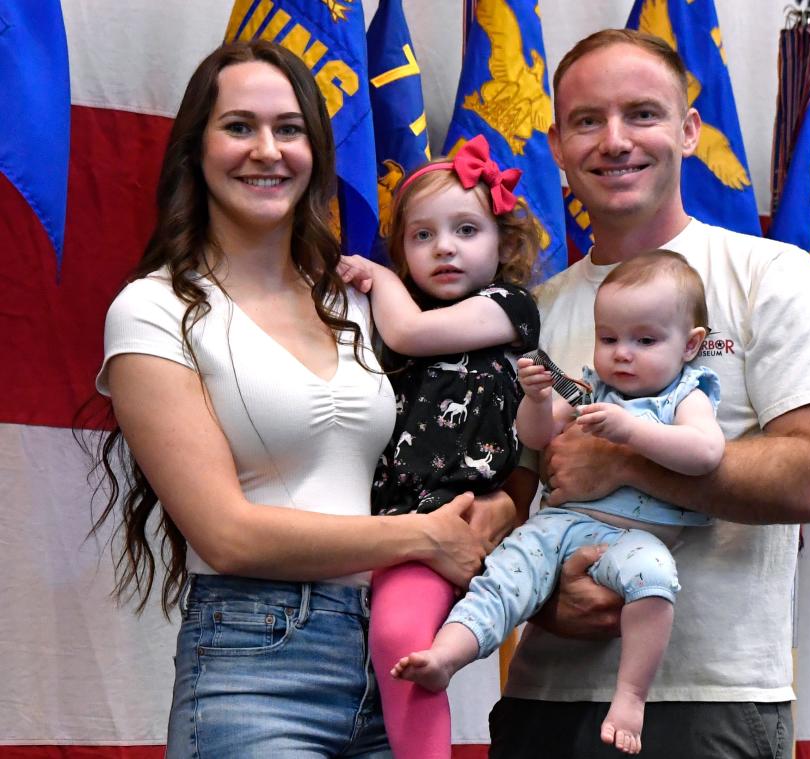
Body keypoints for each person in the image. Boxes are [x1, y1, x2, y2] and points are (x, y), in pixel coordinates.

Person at [90, 40, 516, 758]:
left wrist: (500, 508)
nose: (268, 149)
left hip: (397, 651)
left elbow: (457, 438)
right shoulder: (153, 309)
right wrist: (425, 537)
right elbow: (227, 534)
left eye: (289, 129)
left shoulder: (360, 301)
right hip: (257, 659)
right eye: (239, 127)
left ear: (317, 149)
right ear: (196, 149)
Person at [486, 29, 810, 759]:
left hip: (708, 701)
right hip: (545, 700)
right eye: (587, 121)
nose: (615, 140)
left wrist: (628, 464)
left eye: (643, 114)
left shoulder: (770, 276)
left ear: (690, 131)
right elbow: (500, 496)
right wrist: (546, 600)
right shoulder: (527, 312)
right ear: (557, 146)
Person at [391, 250, 724, 755]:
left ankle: (631, 696)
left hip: (631, 540)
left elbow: (705, 453)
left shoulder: (685, 396)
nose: (623, 353)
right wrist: (539, 400)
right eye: (609, 338)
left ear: (690, 345)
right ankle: (446, 656)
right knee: (503, 576)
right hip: (561, 524)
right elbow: (537, 435)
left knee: (656, 579)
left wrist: (632, 433)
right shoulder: (592, 386)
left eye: (645, 340)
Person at [337, 134, 540, 759]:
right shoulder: (388, 317)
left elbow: (411, 330)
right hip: (383, 520)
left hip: (454, 521)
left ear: (504, 244)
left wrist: (372, 275)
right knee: (368, 650)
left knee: (401, 634)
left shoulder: (509, 306)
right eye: (420, 235)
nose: (444, 247)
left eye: (466, 230)